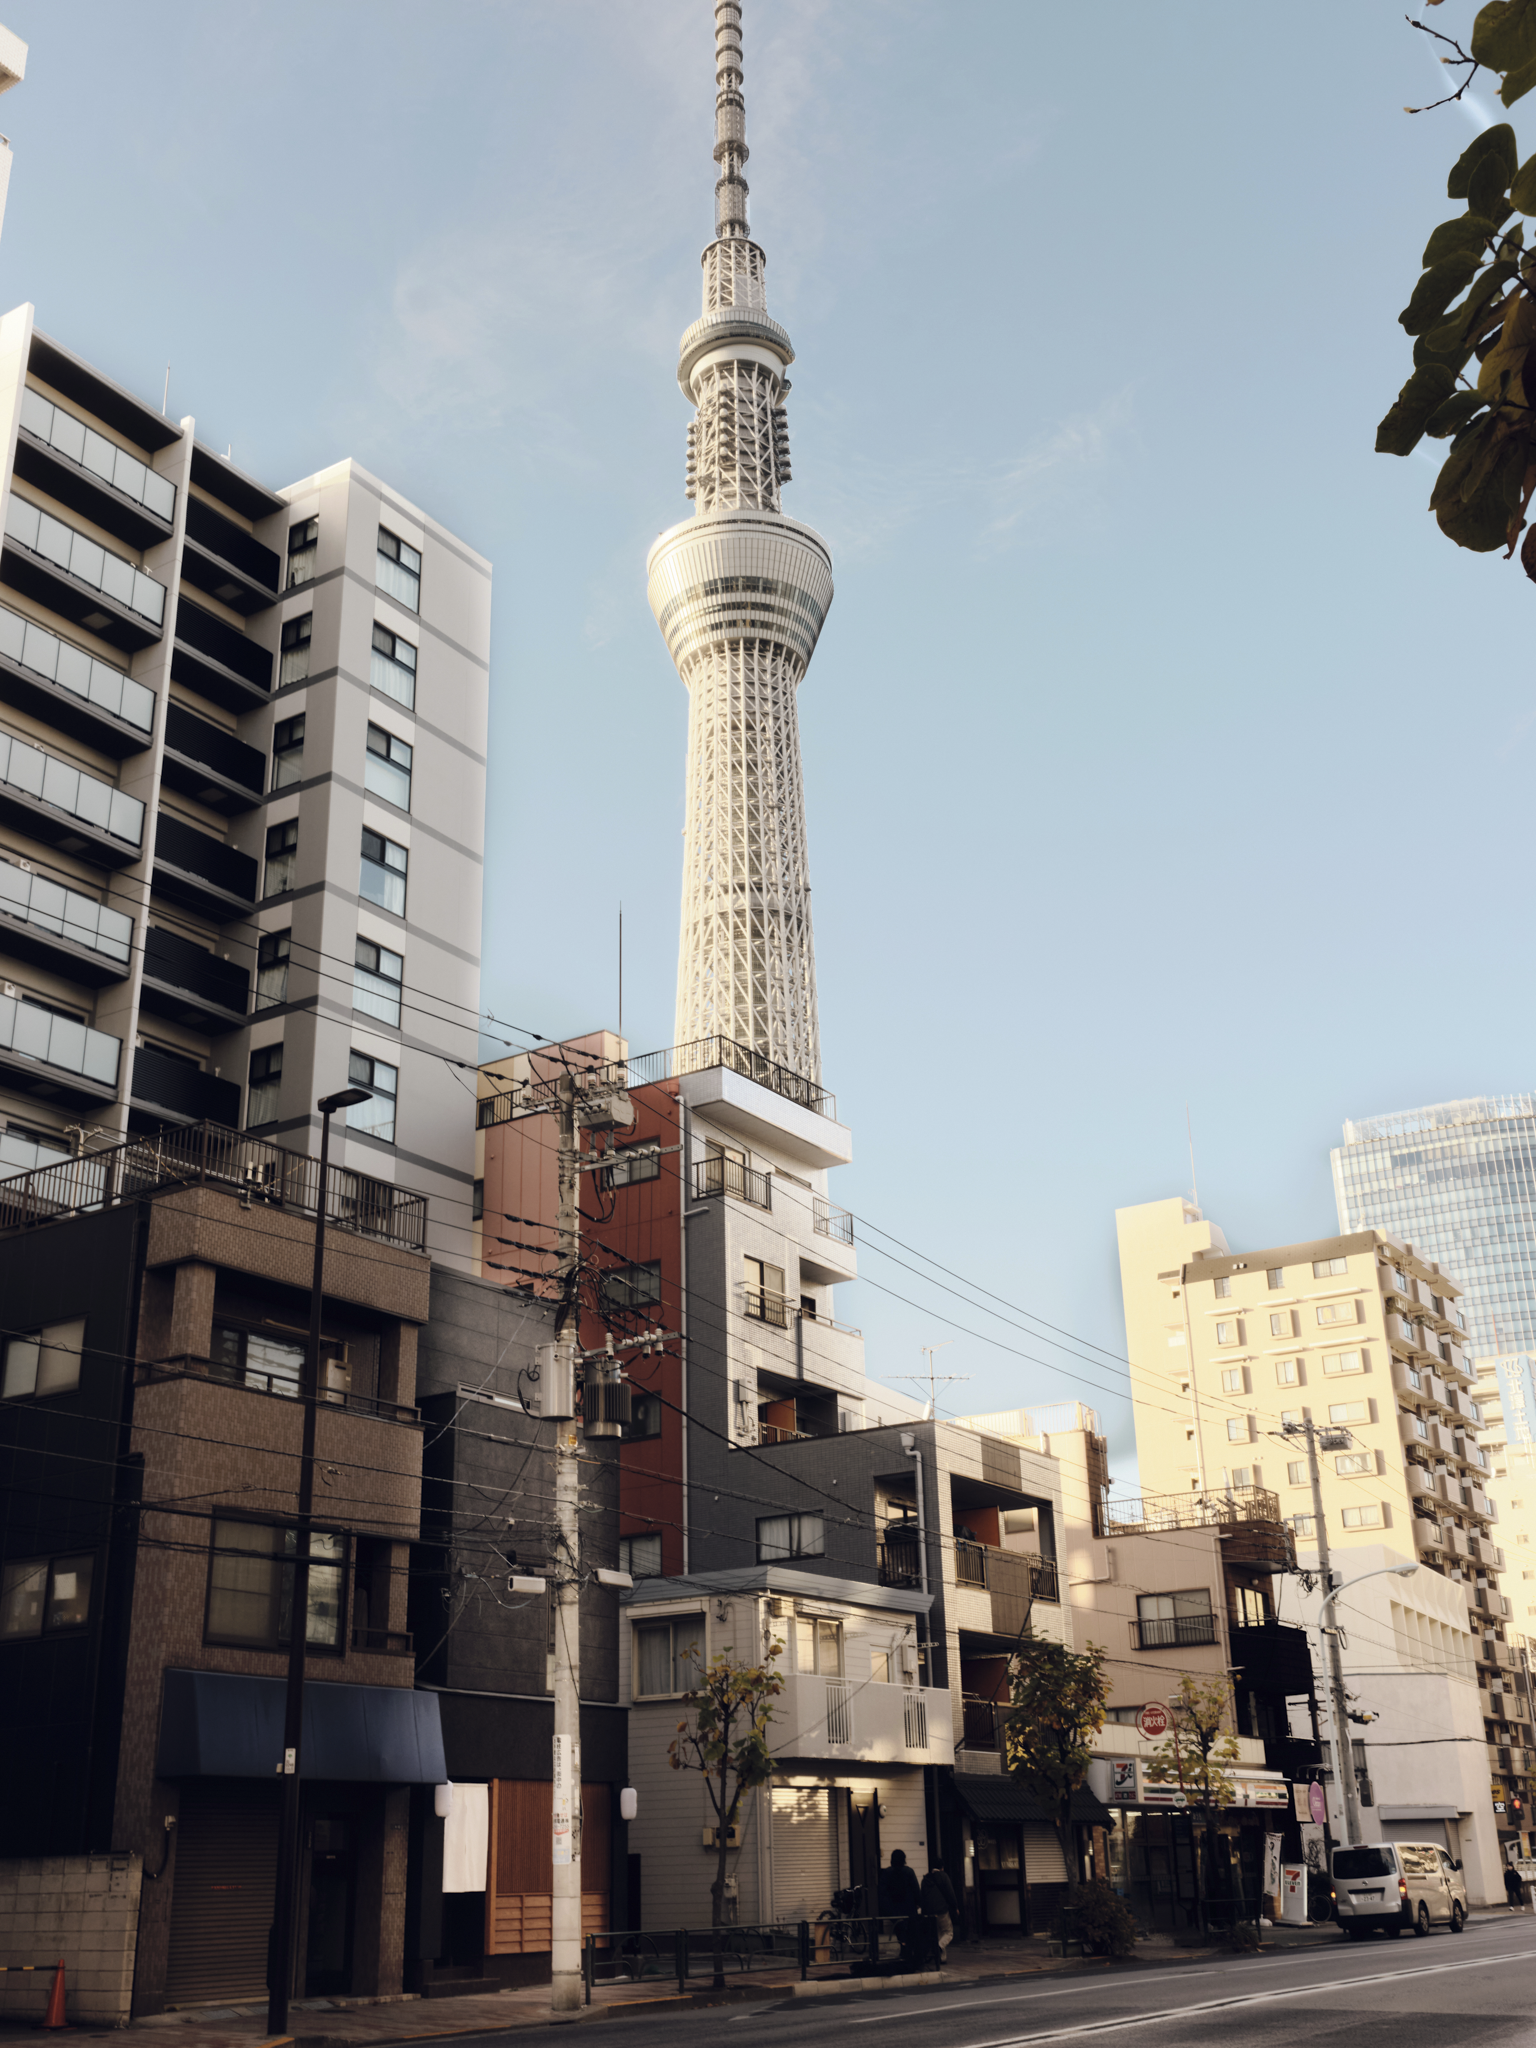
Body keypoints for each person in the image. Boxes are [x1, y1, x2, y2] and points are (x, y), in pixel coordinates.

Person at [920, 1861, 962, 1963]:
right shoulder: (943, 1876)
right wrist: (955, 1906)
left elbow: (922, 1895)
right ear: (942, 1867)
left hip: (929, 1911)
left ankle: (941, 1959)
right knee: (948, 1933)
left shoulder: (925, 1879)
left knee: (939, 1933)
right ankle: (938, 1948)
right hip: (941, 1909)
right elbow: (950, 1892)